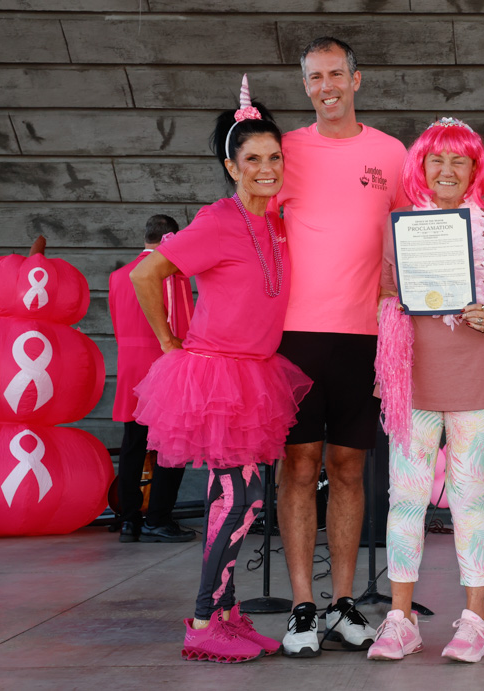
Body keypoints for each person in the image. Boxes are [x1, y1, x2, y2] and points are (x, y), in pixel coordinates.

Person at [130, 76, 310, 664]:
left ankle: (229, 614)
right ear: (232, 167)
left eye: (274, 157)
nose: (266, 167)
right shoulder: (216, 220)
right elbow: (144, 275)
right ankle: (204, 619)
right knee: (237, 501)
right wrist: (166, 341)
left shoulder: (276, 220)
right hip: (216, 379)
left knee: (237, 501)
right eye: (252, 159)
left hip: (256, 374)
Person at [367, 117, 484, 664]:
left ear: (474, 169)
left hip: (478, 382)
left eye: (458, 160)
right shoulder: (399, 227)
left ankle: (475, 620)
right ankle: (400, 619)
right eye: (436, 159)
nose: (446, 170)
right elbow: (386, 292)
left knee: (468, 497)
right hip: (413, 384)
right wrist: (396, 309)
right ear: (421, 167)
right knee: (407, 499)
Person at [271, 36, 408, 657]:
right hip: (292, 338)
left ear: (358, 79)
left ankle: (344, 603)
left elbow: (414, 237)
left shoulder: (392, 153)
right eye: (313, 77)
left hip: (366, 337)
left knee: (348, 469)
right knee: (298, 466)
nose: (325, 86)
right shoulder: (285, 152)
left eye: (335, 74)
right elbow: (254, 226)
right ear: (305, 85)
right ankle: (303, 607)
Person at [109, 214, 195, 544]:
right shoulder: (173, 276)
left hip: (130, 365)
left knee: (133, 443)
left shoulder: (119, 276)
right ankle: (158, 517)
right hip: (165, 363)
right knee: (169, 445)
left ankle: (129, 520)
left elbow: (118, 324)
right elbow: (183, 326)